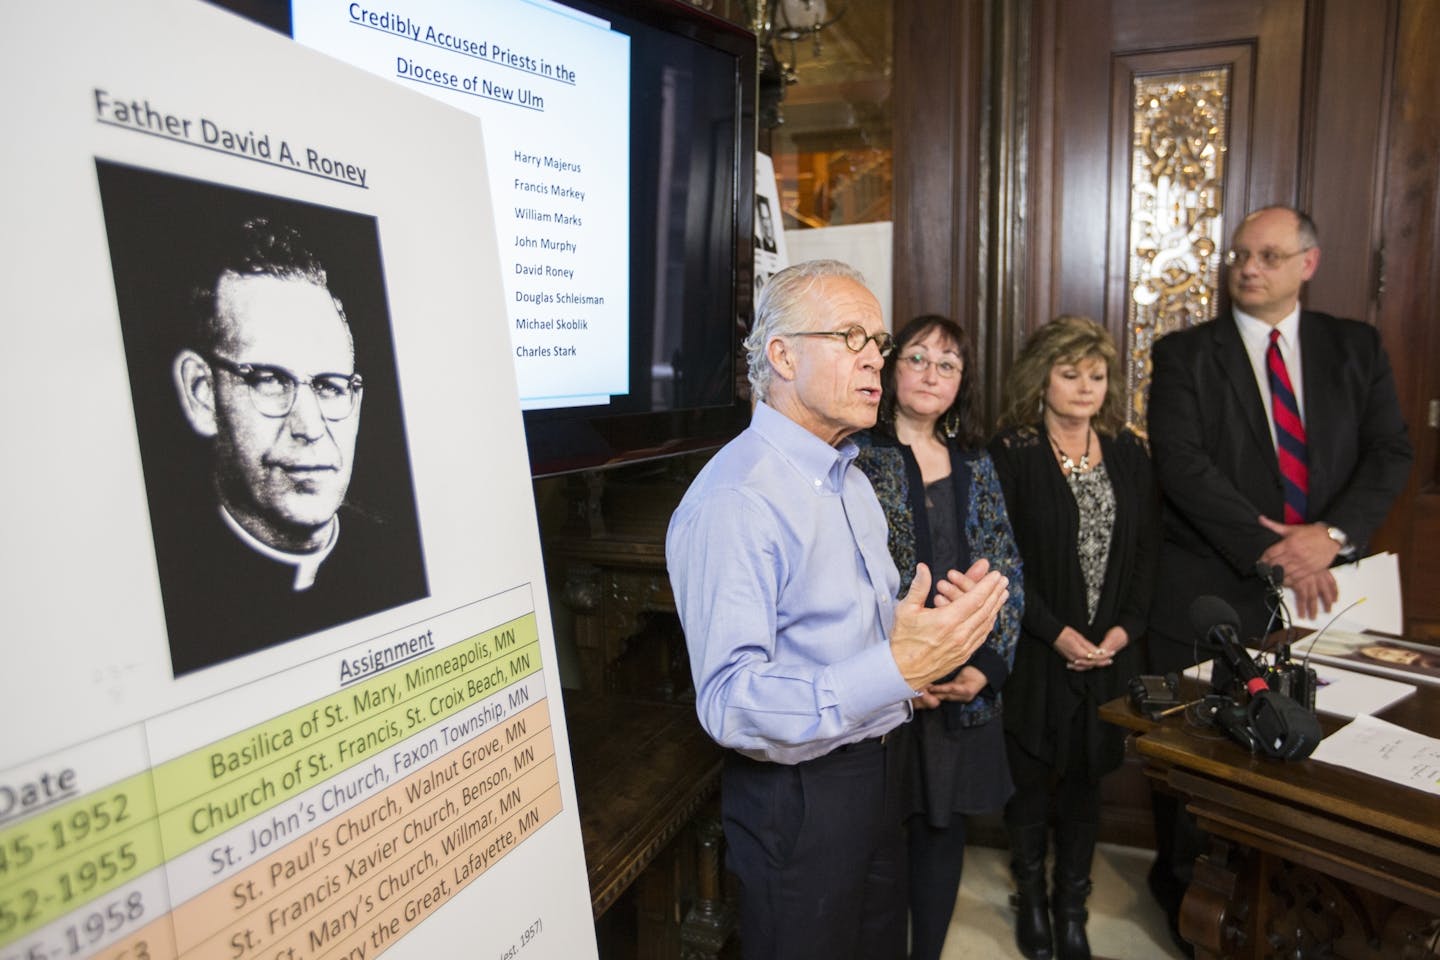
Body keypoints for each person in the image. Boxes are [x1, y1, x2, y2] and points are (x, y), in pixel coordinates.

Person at [666, 260, 1012, 960]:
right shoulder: (737, 499)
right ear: (782, 355)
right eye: (850, 337)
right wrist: (895, 663)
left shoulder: (849, 480)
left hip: (882, 772)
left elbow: (857, 636)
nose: (874, 362)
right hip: (800, 798)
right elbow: (731, 704)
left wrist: (924, 632)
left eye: (878, 344)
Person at [1145, 206, 1412, 940]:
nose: (1248, 268)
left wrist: (1327, 536)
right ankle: (1188, 906)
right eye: (1239, 256)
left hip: (1325, 593)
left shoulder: (1353, 347)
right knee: (1200, 764)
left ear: (1308, 264)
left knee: (1316, 749)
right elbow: (1184, 466)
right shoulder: (1185, 354)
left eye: (1267, 255)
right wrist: (1275, 550)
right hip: (1212, 588)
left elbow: (1391, 451)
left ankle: (1302, 903)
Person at [163, 217, 426, 675]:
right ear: (203, 393)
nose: (309, 427)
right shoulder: (170, 592)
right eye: (269, 380)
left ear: (356, 402)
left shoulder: (401, 560)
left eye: (328, 387)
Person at [853, 315, 1025, 960]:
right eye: (918, 358)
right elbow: (845, 577)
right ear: (892, 370)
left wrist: (985, 666)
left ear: (962, 382)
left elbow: (1006, 565)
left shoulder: (976, 462)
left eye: (947, 364)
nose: (930, 374)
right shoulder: (856, 454)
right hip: (882, 686)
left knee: (941, 827)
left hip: (962, 689)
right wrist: (901, 669)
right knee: (879, 839)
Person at [988, 316, 1158, 960]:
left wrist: (1124, 630)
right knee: (1030, 783)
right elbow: (1001, 561)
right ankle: (1030, 901)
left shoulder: (1128, 453)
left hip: (1108, 653)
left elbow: (1145, 554)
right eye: (1071, 374)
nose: (1086, 388)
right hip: (1037, 651)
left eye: (1097, 375)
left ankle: (1071, 910)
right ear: (1042, 378)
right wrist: (1055, 632)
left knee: (1088, 785)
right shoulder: (1014, 453)